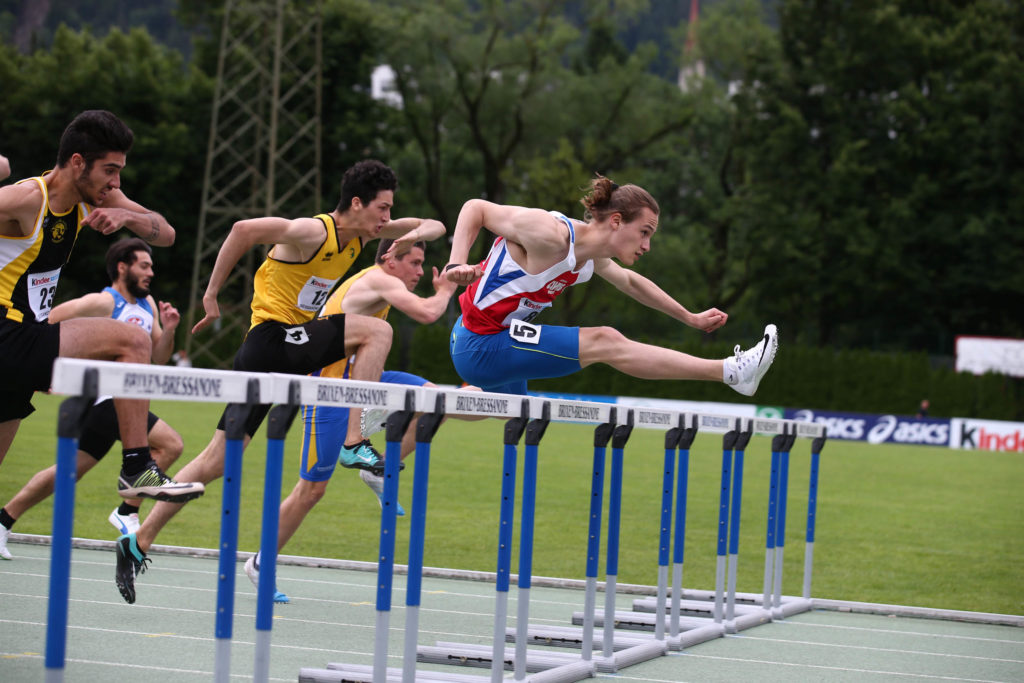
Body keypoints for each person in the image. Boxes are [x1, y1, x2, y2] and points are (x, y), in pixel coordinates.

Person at [114, 159, 446, 604]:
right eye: (382, 209)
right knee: (378, 331)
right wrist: (212, 295)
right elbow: (242, 229)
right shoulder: (314, 232)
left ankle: (138, 540)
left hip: (281, 351)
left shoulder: (364, 234)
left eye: (390, 211)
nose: (387, 218)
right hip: (272, 341)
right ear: (355, 203)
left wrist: (409, 230)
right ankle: (353, 441)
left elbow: (435, 225)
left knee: (216, 460)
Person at [244, 237, 471, 602]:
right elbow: (428, 313)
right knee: (312, 490)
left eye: (420, 264)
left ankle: (378, 467)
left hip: (362, 381)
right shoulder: (378, 278)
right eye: (412, 263)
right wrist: (445, 290)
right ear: (388, 259)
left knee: (435, 403)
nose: (418, 272)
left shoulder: (384, 283)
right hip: (330, 388)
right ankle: (260, 562)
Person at [0, 110, 202, 503]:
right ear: (78, 162)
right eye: (110, 170)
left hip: (23, 344)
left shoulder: (96, 198)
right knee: (133, 341)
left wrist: (128, 215)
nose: (116, 182)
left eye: (120, 171)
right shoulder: (28, 199)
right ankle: (136, 466)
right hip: (8, 333)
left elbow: (168, 234)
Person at [444, 175, 778, 397]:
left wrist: (689, 317)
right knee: (605, 340)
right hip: (479, 345)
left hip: (498, 340)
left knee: (510, 412)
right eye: (644, 232)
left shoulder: (592, 258)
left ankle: (438, 411)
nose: (646, 246)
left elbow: (631, 283)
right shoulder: (550, 235)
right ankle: (730, 372)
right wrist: (456, 263)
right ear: (616, 221)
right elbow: (476, 208)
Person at [0, 238, 186, 559]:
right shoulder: (103, 302)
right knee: (170, 444)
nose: (150, 273)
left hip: (121, 405)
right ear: (122, 267)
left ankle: (3, 521)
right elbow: (47, 322)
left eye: (152, 267)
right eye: (144, 266)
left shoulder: (148, 305)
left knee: (69, 471)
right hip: (102, 398)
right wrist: (43, 365)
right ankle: (127, 511)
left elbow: (158, 355)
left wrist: (168, 330)